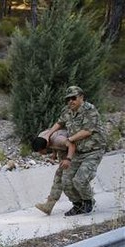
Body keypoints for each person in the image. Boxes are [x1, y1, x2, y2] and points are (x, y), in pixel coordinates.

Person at [45, 86, 106, 216]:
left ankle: (88, 201)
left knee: (80, 180)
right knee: (66, 180)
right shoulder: (67, 110)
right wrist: (48, 135)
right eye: (68, 99)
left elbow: (87, 131)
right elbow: (59, 123)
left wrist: (69, 139)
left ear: (81, 97)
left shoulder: (90, 110)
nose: (70, 101)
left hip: (93, 150)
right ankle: (77, 205)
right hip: (77, 152)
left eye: (73, 98)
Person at [31, 127, 74, 215]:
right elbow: (53, 144)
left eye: (41, 151)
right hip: (63, 149)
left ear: (45, 146)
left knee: (70, 180)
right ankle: (49, 206)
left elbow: (71, 144)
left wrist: (68, 159)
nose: (40, 154)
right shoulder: (42, 137)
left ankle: (86, 201)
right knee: (59, 177)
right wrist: (54, 154)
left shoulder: (59, 140)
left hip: (73, 150)